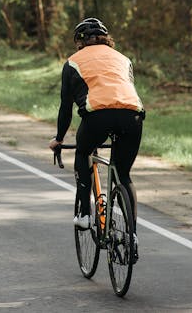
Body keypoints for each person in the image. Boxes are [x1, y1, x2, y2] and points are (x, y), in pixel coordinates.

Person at [48, 18, 144, 242]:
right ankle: (132, 236)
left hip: (98, 115)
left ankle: (84, 213)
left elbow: (66, 108)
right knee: (123, 175)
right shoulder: (123, 59)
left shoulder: (73, 62)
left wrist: (59, 138)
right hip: (133, 115)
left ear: (80, 42)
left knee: (83, 152)